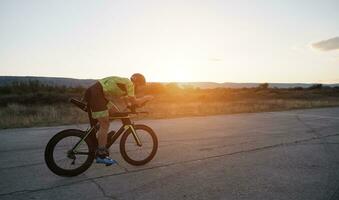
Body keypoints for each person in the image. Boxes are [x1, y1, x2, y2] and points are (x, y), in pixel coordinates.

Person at [84, 73, 153, 165]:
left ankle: (100, 134)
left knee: (114, 112)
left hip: (99, 94)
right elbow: (134, 101)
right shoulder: (130, 84)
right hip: (97, 93)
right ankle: (101, 154)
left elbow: (127, 102)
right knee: (105, 124)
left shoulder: (125, 85)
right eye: (141, 86)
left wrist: (131, 107)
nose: (140, 88)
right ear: (138, 82)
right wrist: (146, 98)